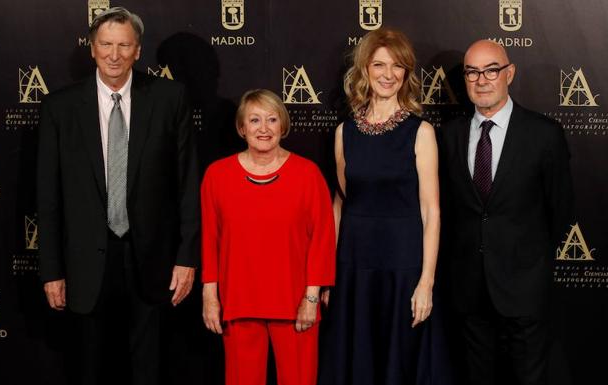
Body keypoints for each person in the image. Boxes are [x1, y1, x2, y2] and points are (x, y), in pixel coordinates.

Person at [37, 7, 199, 385]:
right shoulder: (60, 107)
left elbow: (187, 183)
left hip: (152, 259)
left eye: (124, 45)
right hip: (84, 263)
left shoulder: (169, 98)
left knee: (150, 368)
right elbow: (48, 198)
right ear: (92, 48)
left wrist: (187, 257)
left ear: (138, 50)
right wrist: (52, 270)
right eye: (106, 45)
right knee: (89, 369)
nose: (114, 54)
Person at [439, 40, 573, 385]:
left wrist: (529, 262)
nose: (481, 80)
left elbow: (560, 209)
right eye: (472, 72)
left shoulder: (544, 134)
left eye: (491, 70)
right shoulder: (448, 136)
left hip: (524, 286)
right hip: (468, 287)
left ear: (509, 73)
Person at [318, 27, 448, 385]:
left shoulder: (420, 132)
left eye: (397, 66)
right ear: (364, 70)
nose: (388, 75)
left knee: (399, 361)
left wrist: (426, 282)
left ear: (406, 73)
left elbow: (431, 211)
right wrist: (327, 274)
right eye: (379, 65)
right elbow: (341, 203)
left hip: (402, 265)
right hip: (354, 264)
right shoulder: (345, 132)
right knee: (357, 359)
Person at [201, 89, 335, 385]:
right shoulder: (217, 176)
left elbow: (323, 240)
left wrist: (311, 297)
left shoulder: (308, 174)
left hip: (295, 301)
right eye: (255, 120)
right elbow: (210, 240)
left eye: (272, 120)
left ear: (283, 126)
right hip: (239, 300)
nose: (264, 129)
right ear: (241, 128)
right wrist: (210, 296)